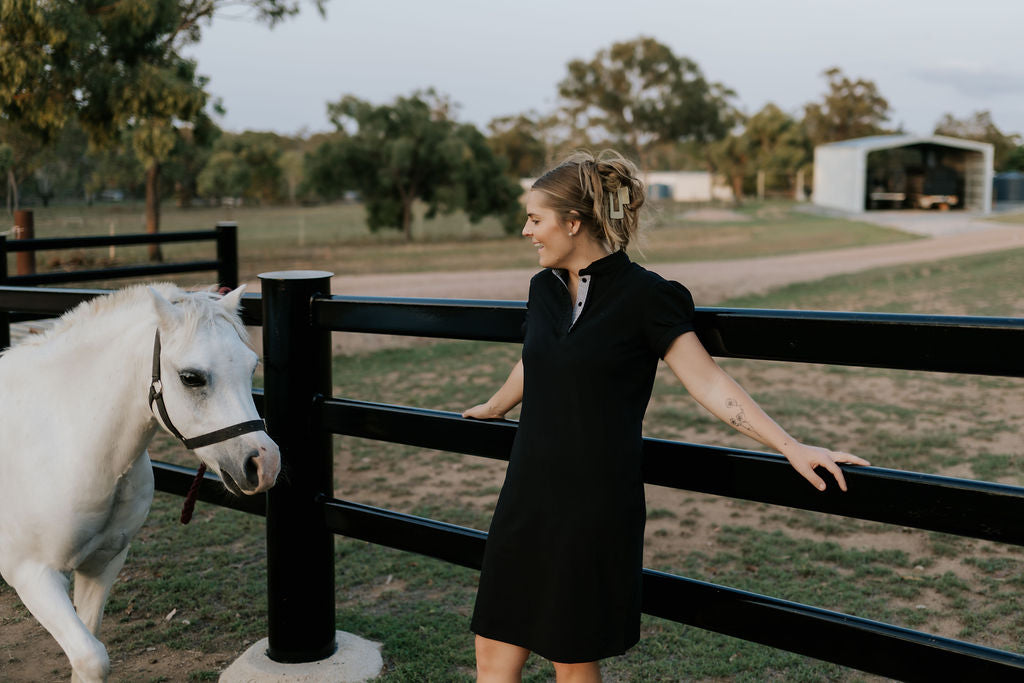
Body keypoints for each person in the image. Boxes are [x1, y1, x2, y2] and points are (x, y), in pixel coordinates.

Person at [462, 150, 869, 683]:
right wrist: (495, 406)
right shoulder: (544, 288)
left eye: (535, 219)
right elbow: (536, 359)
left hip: (590, 505)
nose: (526, 231)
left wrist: (791, 446)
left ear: (573, 222)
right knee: (493, 648)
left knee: (571, 655)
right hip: (525, 494)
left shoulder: (647, 297)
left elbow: (708, 382)